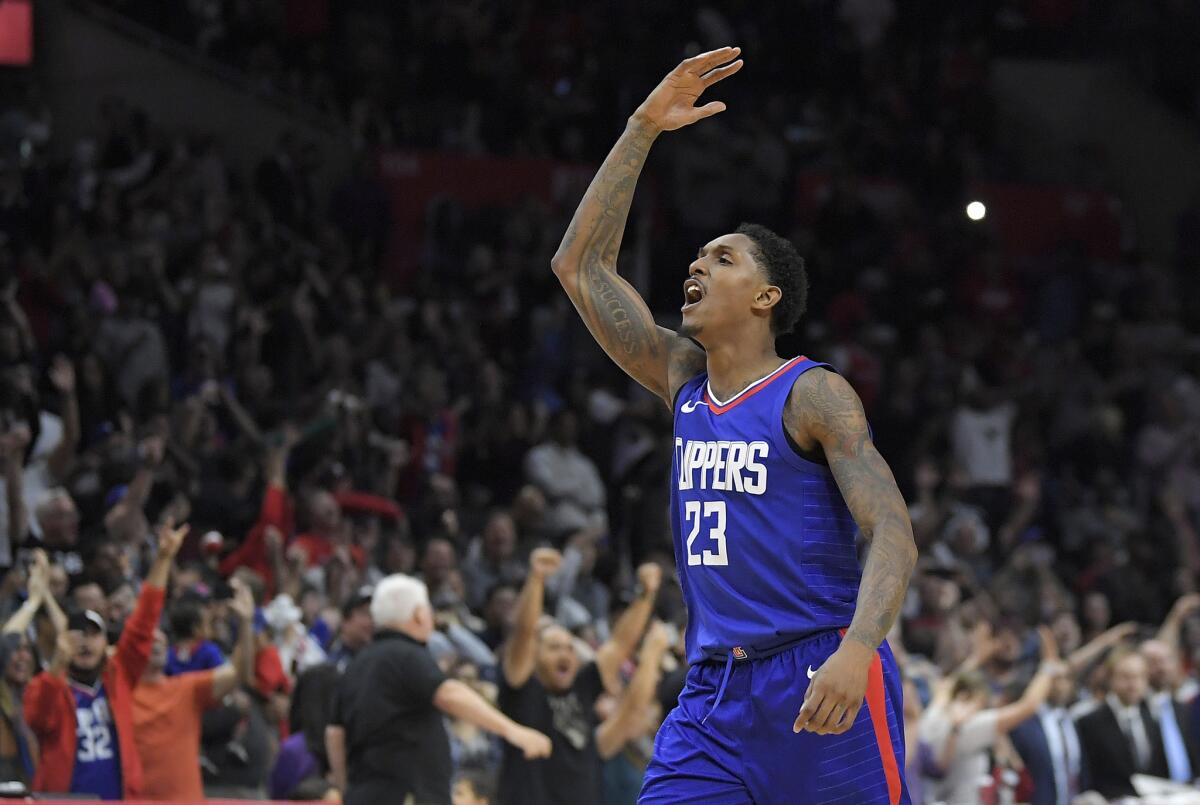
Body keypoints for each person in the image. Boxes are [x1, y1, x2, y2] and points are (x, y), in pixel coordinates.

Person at [550, 47, 918, 804]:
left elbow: (890, 528)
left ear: (766, 297)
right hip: (713, 695)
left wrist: (858, 648)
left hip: (820, 670)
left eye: (722, 259)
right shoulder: (682, 380)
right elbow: (580, 268)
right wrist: (642, 127)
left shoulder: (813, 393)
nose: (697, 267)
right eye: (696, 257)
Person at [326, 574, 551, 805]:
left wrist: (347, 790)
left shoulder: (356, 664)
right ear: (418, 614)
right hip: (408, 792)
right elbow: (449, 693)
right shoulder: (407, 654)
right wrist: (512, 730)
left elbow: (335, 733)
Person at [23, 520, 187, 800]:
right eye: (76, 635)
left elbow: (142, 625)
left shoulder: (118, 675)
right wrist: (56, 667)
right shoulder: (45, 685)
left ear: (105, 643)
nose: (84, 642)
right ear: (63, 642)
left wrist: (162, 560)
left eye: (93, 634)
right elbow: (38, 719)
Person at [498, 549, 663, 805]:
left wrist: (646, 595)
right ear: (535, 656)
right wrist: (537, 578)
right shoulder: (522, 689)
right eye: (554, 647)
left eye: (570, 648)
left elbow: (619, 645)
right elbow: (524, 632)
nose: (565, 653)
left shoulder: (582, 688)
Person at [130, 578, 256, 799]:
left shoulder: (187, 688)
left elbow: (240, 673)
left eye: (161, 634)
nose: (157, 637)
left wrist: (245, 623)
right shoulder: (117, 691)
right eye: (147, 634)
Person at [1075, 647, 1200, 799]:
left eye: (1139, 677)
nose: (1133, 684)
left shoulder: (1153, 717)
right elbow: (1086, 777)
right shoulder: (1089, 723)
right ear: (1110, 678)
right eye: (1126, 677)